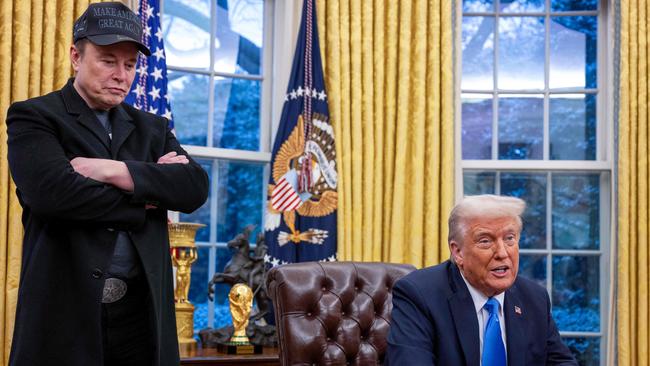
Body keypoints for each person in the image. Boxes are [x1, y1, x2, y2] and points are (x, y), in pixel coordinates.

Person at [6, 2, 209, 365]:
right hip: (67, 316)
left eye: (130, 64)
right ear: (75, 56)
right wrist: (147, 194)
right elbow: (54, 196)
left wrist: (110, 170)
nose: (122, 75)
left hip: (142, 317)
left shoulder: (153, 128)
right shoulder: (34, 116)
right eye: (108, 60)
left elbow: (193, 187)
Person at [386, 195, 577, 366]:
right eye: (485, 241)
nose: (502, 253)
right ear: (457, 252)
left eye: (510, 238)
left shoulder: (534, 298)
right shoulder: (419, 294)